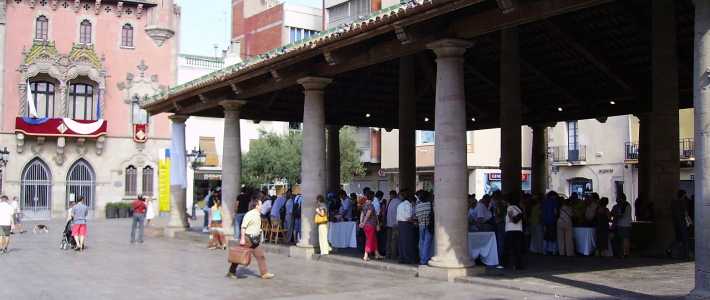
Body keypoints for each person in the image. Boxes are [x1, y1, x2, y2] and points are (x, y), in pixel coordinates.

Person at [226, 196, 275, 280]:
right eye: (261, 204)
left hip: (255, 240)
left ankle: (264, 273)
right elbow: (243, 227)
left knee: (260, 256)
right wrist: (242, 239)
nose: (262, 206)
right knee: (239, 254)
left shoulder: (258, 214)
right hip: (248, 239)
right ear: (256, 206)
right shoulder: (249, 214)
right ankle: (231, 272)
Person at [667, 190, 690, 259]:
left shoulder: (673, 202)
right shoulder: (682, 202)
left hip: (676, 223)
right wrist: (689, 221)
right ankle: (686, 254)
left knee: (678, 239)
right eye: (685, 195)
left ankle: (669, 248)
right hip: (682, 222)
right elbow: (685, 213)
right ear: (683, 195)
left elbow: (671, 211)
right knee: (685, 239)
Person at [360, 196, 383, 261]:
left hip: (366, 226)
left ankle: (376, 254)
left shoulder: (363, 206)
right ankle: (366, 255)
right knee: (369, 239)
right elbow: (368, 215)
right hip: (370, 225)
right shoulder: (370, 205)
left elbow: (362, 214)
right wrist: (363, 223)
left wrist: (361, 222)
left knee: (374, 239)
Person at [505, 196, 525, 270]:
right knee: (518, 249)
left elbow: (513, 219)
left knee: (511, 249)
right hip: (519, 230)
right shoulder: (518, 208)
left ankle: (512, 265)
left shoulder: (510, 208)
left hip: (510, 230)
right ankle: (519, 265)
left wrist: (512, 217)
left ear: (508, 202)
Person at [397, 191, 416, 264]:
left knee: (401, 242)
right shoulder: (408, 205)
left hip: (400, 224)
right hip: (406, 224)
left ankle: (401, 258)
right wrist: (414, 222)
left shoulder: (400, 205)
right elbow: (408, 217)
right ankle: (407, 258)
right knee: (407, 242)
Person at [414, 191, 433, 265]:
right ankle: (424, 260)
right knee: (427, 243)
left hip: (421, 225)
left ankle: (422, 258)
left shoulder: (417, 206)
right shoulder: (429, 204)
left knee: (421, 242)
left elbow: (416, 215)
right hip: (429, 225)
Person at [611, 193, 632, 258]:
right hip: (626, 224)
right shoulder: (627, 204)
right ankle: (626, 253)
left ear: (621, 198)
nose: (616, 199)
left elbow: (621, 215)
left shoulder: (623, 205)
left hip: (623, 225)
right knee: (625, 239)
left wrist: (616, 215)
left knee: (624, 239)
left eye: (617, 198)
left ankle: (624, 253)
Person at [542, 191, 560, 255]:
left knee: (545, 237)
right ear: (553, 196)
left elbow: (542, 212)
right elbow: (555, 212)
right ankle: (554, 251)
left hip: (545, 221)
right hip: (552, 221)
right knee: (553, 237)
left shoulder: (544, 202)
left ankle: (544, 251)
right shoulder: (554, 202)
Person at [385, 190, 401, 260]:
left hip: (389, 223)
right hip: (395, 224)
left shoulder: (390, 201)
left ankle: (387, 255)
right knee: (394, 240)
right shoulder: (398, 202)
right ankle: (393, 256)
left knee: (388, 240)